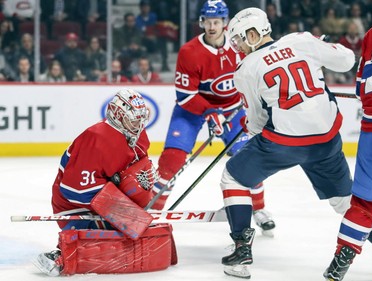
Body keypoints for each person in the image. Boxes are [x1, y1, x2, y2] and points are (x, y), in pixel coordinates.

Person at [220, 7, 357, 279]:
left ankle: (241, 250)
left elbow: (257, 124)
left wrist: (253, 126)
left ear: (253, 34)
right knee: (348, 204)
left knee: (233, 178)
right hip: (327, 141)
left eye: (237, 40)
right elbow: (347, 60)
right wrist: (318, 48)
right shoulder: (299, 40)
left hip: (283, 143)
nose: (236, 47)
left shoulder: (246, 68)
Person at [150, 0, 275, 235]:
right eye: (207, 21)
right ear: (201, 22)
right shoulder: (189, 52)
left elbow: (256, 75)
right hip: (192, 111)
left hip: (233, 109)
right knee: (170, 163)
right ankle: (152, 214)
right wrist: (210, 112)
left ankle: (259, 209)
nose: (211, 26)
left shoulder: (239, 46)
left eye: (216, 21)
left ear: (225, 23)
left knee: (247, 157)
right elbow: (185, 96)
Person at [33, 89, 176, 276]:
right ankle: (64, 253)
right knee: (128, 233)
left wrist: (140, 184)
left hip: (107, 199)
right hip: (75, 208)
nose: (139, 125)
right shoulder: (96, 138)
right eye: (134, 120)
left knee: (138, 229)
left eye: (141, 120)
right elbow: (73, 190)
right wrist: (121, 196)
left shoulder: (137, 133)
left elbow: (136, 166)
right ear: (118, 115)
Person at [324, 26, 372, 281]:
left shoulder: (371, 35)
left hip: (370, 132)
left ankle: (340, 262)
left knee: (364, 205)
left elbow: (359, 88)